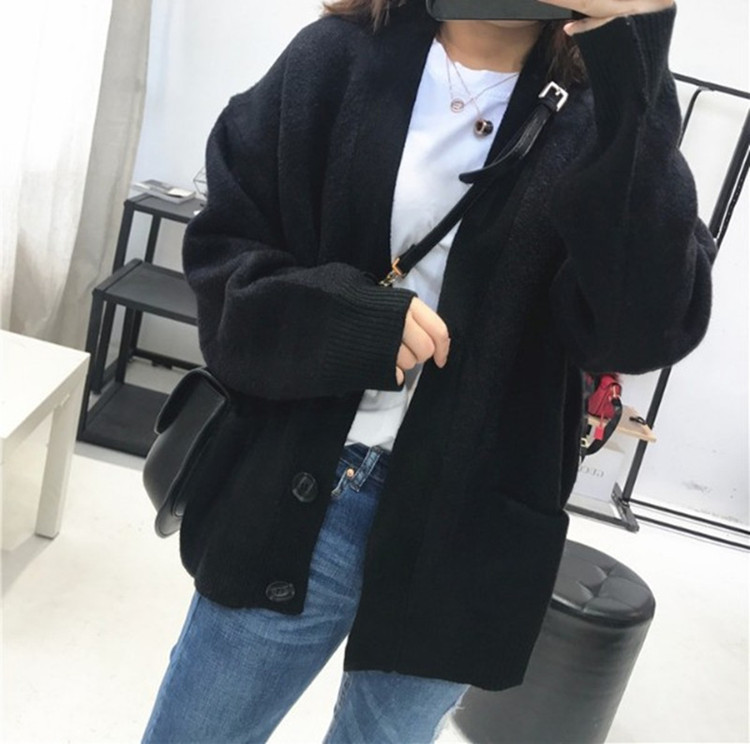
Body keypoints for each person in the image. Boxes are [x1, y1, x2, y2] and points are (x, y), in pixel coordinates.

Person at [143, 0, 715, 741]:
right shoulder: (336, 59)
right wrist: (348, 323)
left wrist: (636, 64)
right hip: (298, 485)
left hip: (469, 529)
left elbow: (643, 331)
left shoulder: (603, 114)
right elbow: (223, 256)